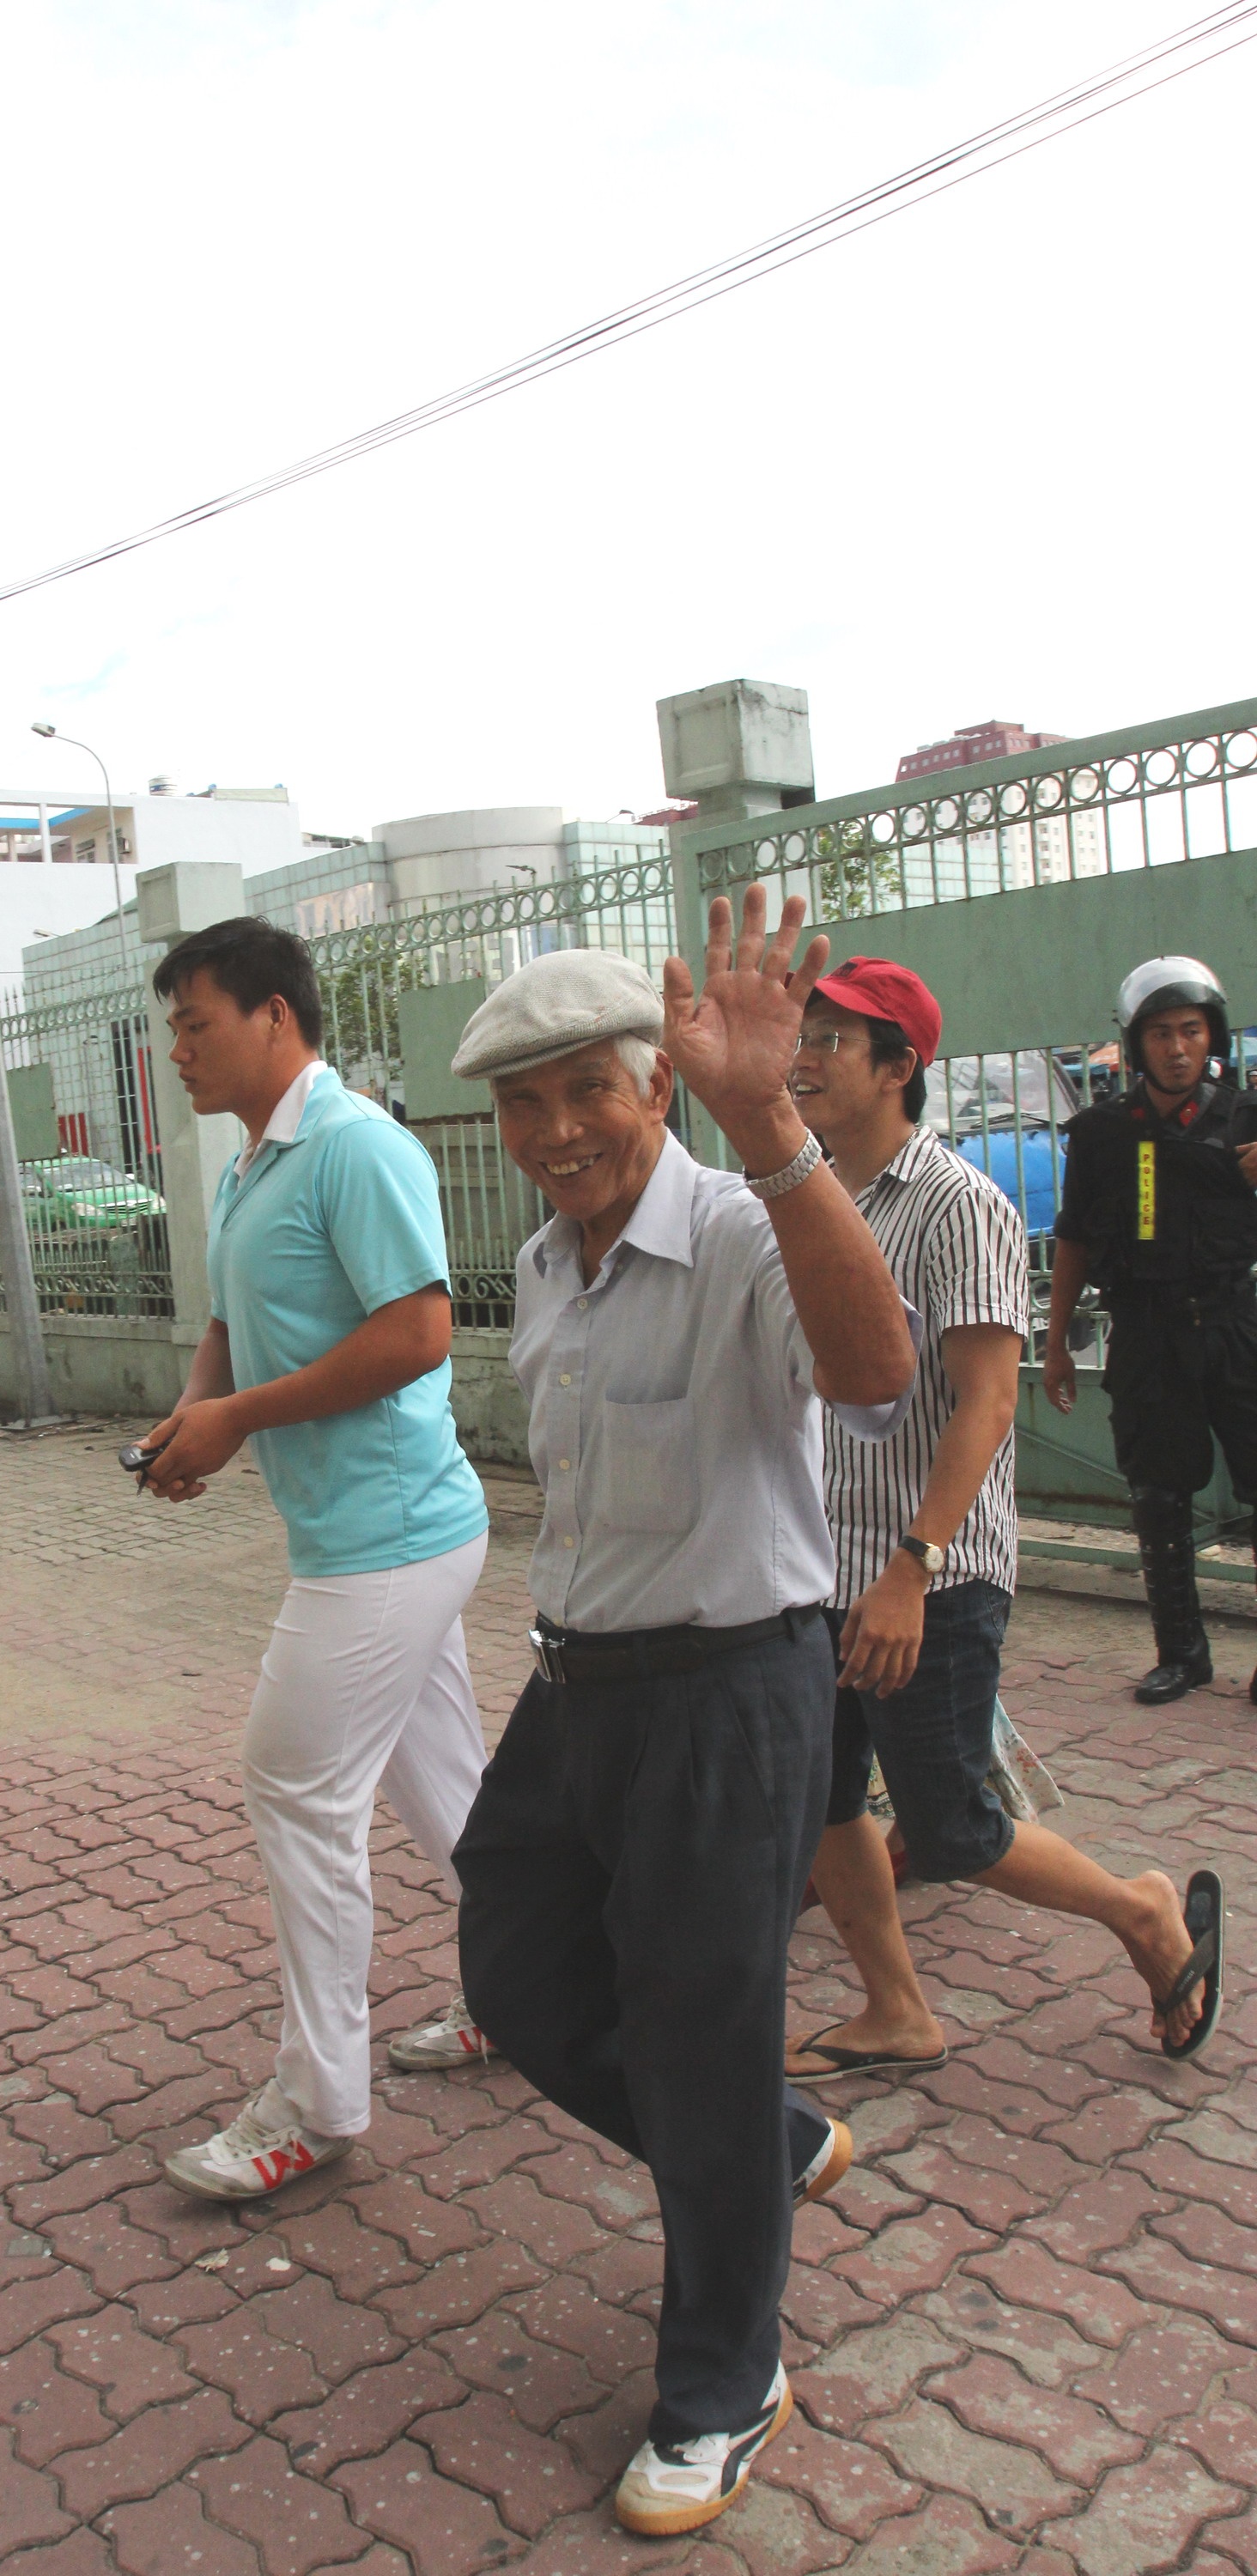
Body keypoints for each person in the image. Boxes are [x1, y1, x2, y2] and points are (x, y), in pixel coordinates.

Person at [450, 891, 920, 2540]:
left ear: (657, 1084)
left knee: (697, 2027)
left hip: (731, 1691)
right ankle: (761, 2139)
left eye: (588, 1087)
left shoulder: (736, 1225)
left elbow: (874, 1375)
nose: (556, 1130)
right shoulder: (543, 1262)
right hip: (580, 1683)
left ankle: (729, 2375)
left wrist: (773, 1122)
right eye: (523, 1103)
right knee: (516, 1965)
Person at [780, 959, 1221, 2090]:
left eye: (833, 1041)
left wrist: (910, 1569)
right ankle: (895, 2010)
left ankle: (1141, 1911)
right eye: (804, 1036)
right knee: (822, 1796)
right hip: (820, 1564)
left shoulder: (957, 1203)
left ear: (898, 1068)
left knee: (951, 1828)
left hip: (930, 1575)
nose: (804, 1058)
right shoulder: (812, 1197)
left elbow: (983, 1404)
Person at [135, 918, 495, 2201]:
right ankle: (535, 1985)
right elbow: (232, 1323)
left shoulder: (355, 1146)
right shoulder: (253, 1164)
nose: (178, 1051)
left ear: (274, 1016)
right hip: (362, 1536)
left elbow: (419, 1333)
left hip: (387, 1540)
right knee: (452, 1794)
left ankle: (316, 2101)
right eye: (173, 1029)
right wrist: (196, 1417)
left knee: (294, 1786)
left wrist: (237, 1419)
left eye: (196, 1024)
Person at [1044, 957, 1257, 1704]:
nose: (1177, 1048)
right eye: (1160, 1033)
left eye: (1190, 1031)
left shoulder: (1247, 1119)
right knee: (1158, 1495)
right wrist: (1055, 1342)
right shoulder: (1103, 1134)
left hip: (1235, 1325)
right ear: (1136, 1044)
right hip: (1147, 1332)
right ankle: (1182, 1654)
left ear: (1212, 1036)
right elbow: (1073, 1237)